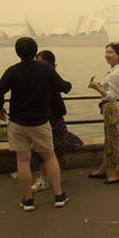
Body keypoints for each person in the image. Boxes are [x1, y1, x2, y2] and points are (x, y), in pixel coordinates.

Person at [0, 37, 71, 211]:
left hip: (17, 122)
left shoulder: (12, 71)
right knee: (49, 157)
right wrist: (68, 84)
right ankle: (58, 195)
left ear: (17, 52)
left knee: (23, 160)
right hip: (40, 122)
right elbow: (64, 87)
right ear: (35, 51)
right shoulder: (45, 69)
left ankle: (28, 200)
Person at [31, 50, 83, 192]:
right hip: (43, 117)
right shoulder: (39, 75)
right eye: (37, 61)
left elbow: (66, 87)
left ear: (49, 62)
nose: (38, 64)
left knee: (48, 148)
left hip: (52, 116)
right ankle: (47, 178)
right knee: (43, 149)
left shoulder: (48, 75)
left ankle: (47, 178)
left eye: (41, 61)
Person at [87, 42, 119, 184]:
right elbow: (111, 90)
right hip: (111, 109)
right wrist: (101, 85)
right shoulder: (115, 70)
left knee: (117, 142)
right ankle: (104, 168)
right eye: (106, 52)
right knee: (110, 141)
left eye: (111, 52)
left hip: (113, 109)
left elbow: (111, 96)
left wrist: (95, 88)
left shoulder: (116, 73)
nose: (108, 55)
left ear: (118, 54)